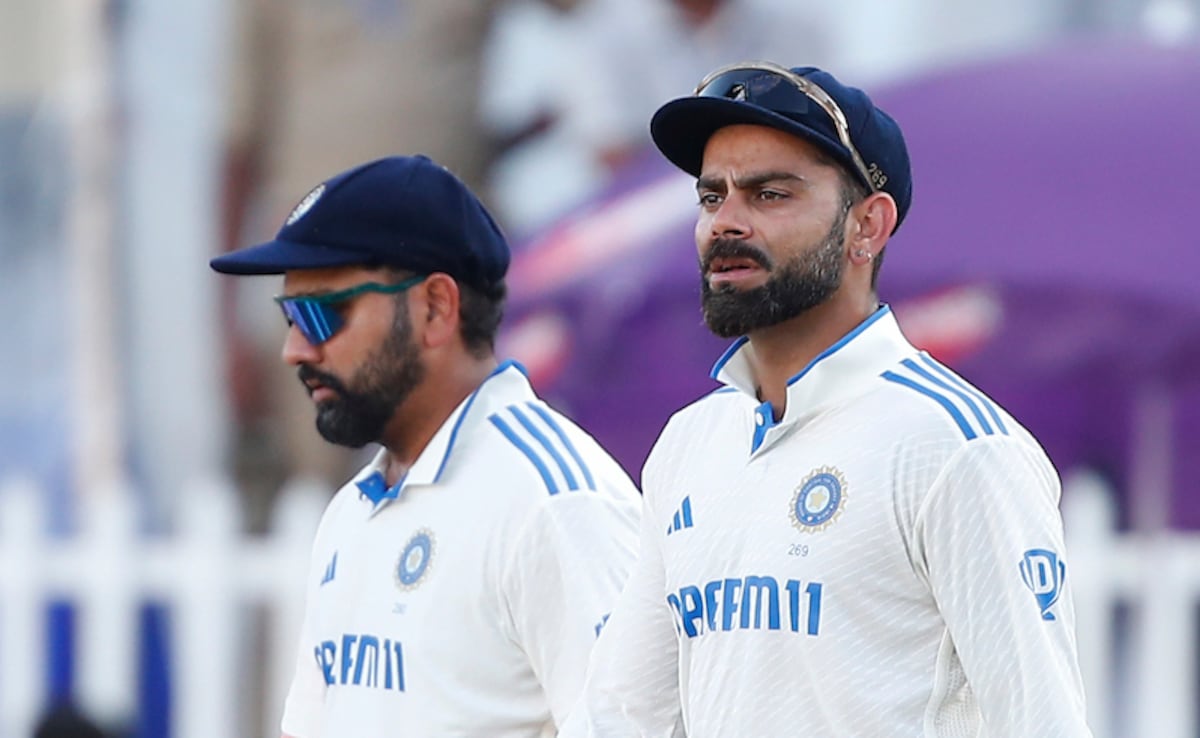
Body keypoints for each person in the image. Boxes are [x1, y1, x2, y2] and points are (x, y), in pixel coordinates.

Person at [560, 62, 1093, 736]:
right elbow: (620, 716)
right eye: (711, 196)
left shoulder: (956, 448)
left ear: (867, 226)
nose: (726, 223)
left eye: (769, 194)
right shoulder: (692, 441)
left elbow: (1041, 723)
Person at [210, 154, 641, 737]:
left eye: (321, 314)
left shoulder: (553, 503)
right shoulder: (352, 511)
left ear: (436, 308)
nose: (296, 350)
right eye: (290, 316)